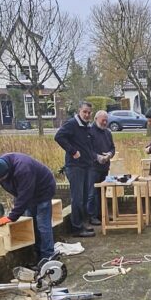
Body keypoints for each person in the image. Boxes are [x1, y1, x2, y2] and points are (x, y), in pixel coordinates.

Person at [0, 153, 57, 261]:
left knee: (42, 224)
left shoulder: (23, 168)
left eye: (3, 178)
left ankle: (48, 256)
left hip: (43, 189)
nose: (1, 180)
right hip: (24, 191)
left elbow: (25, 196)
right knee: (31, 224)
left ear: (9, 170)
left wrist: (12, 217)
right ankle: (37, 254)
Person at [55, 101, 96, 237]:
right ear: (79, 111)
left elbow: (87, 145)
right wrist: (72, 151)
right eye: (84, 112)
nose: (87, 115)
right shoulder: (72, 124)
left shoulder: (87, 126)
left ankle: (82, 224)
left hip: (86, 166)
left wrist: (93, 158)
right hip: (75, 167)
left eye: (89, 112)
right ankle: (77, 228)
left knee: (84, 197)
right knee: (77, 199)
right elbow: (58, 137)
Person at [87, 110, 116, 224]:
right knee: (92, 193)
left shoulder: (107, 132)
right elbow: (87, 149)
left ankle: (101, 214)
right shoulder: (89, 132)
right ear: (96, 119)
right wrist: (97, 157)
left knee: (102, 192)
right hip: (93, 167)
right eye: (102, 120)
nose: (105, 123)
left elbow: (113, 148)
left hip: (104, 167)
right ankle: (92, 216)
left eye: (106, 120)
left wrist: (109, 154)